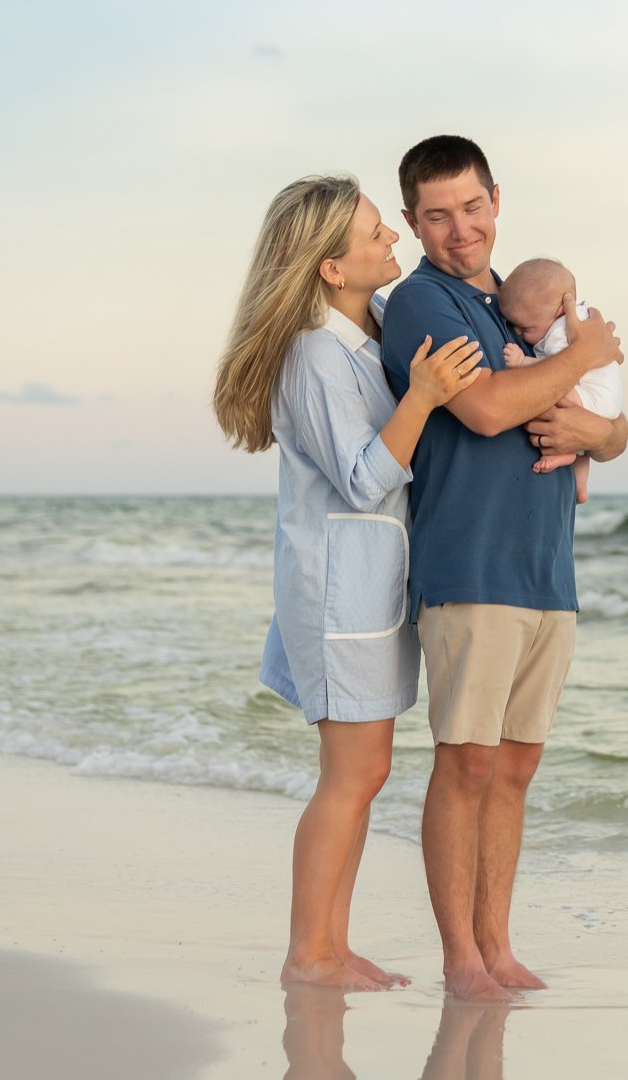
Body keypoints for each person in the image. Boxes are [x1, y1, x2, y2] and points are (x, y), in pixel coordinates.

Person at [212, 173, 484, 992]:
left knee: (366, 772)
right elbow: (366, 477)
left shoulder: (361, 344)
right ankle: (309, 952)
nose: (392, 240)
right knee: (352, 773)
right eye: (375, 232)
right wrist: (429, 396)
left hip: (370, 589)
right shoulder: (314, 354)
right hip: (338, 592)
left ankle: (332, 943)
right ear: (332, 267)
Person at [380, 135, 628, 1001]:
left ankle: (498, 944)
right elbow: (486, 409)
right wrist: (581, 358)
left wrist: (597, 428)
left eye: (473, 208)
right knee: (468, 765)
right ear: (413, 221)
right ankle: (462, 957)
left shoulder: (526, 304)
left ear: (496, 199)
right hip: (469, 567)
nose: (460, 230)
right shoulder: (420, 303)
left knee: (516, 769)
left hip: (547, 571)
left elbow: (613, 422)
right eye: (438, 216)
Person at [497, 257, 624, 503]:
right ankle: (581, 485)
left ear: (557, 312)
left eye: (525, 329)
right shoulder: (577, 318)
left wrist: (523, 362)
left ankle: (565, 455)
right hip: (606, 402)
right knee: (582, 439)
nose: (517, 333)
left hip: (593, 397)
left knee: (551, 394)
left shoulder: (561, 330)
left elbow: (556, 370)